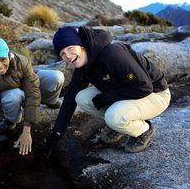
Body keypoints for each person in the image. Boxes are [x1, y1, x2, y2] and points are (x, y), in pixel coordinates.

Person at [46, 26, 171, 157]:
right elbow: (70, 98)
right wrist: (56, 134)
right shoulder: (83, 66)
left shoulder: (112, 54)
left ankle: (144, 130)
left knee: (114, 117)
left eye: (70, 48)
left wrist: (106, 98)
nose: (68, 56)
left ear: (81, 44)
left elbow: (143, 87)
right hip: (129, 92)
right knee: (81, 98)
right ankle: (119, 126)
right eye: (62, 54)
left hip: (155, 94)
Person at [0, 37, 64, 169]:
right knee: (13, 96)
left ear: (9, 55)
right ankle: (11, 121)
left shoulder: (21, 61)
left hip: (27, 86)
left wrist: (27, 129)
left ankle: (51, 101)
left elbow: (32, 92)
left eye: (3, 59)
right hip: (10, 94)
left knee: (56, 77)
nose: (0, 66)